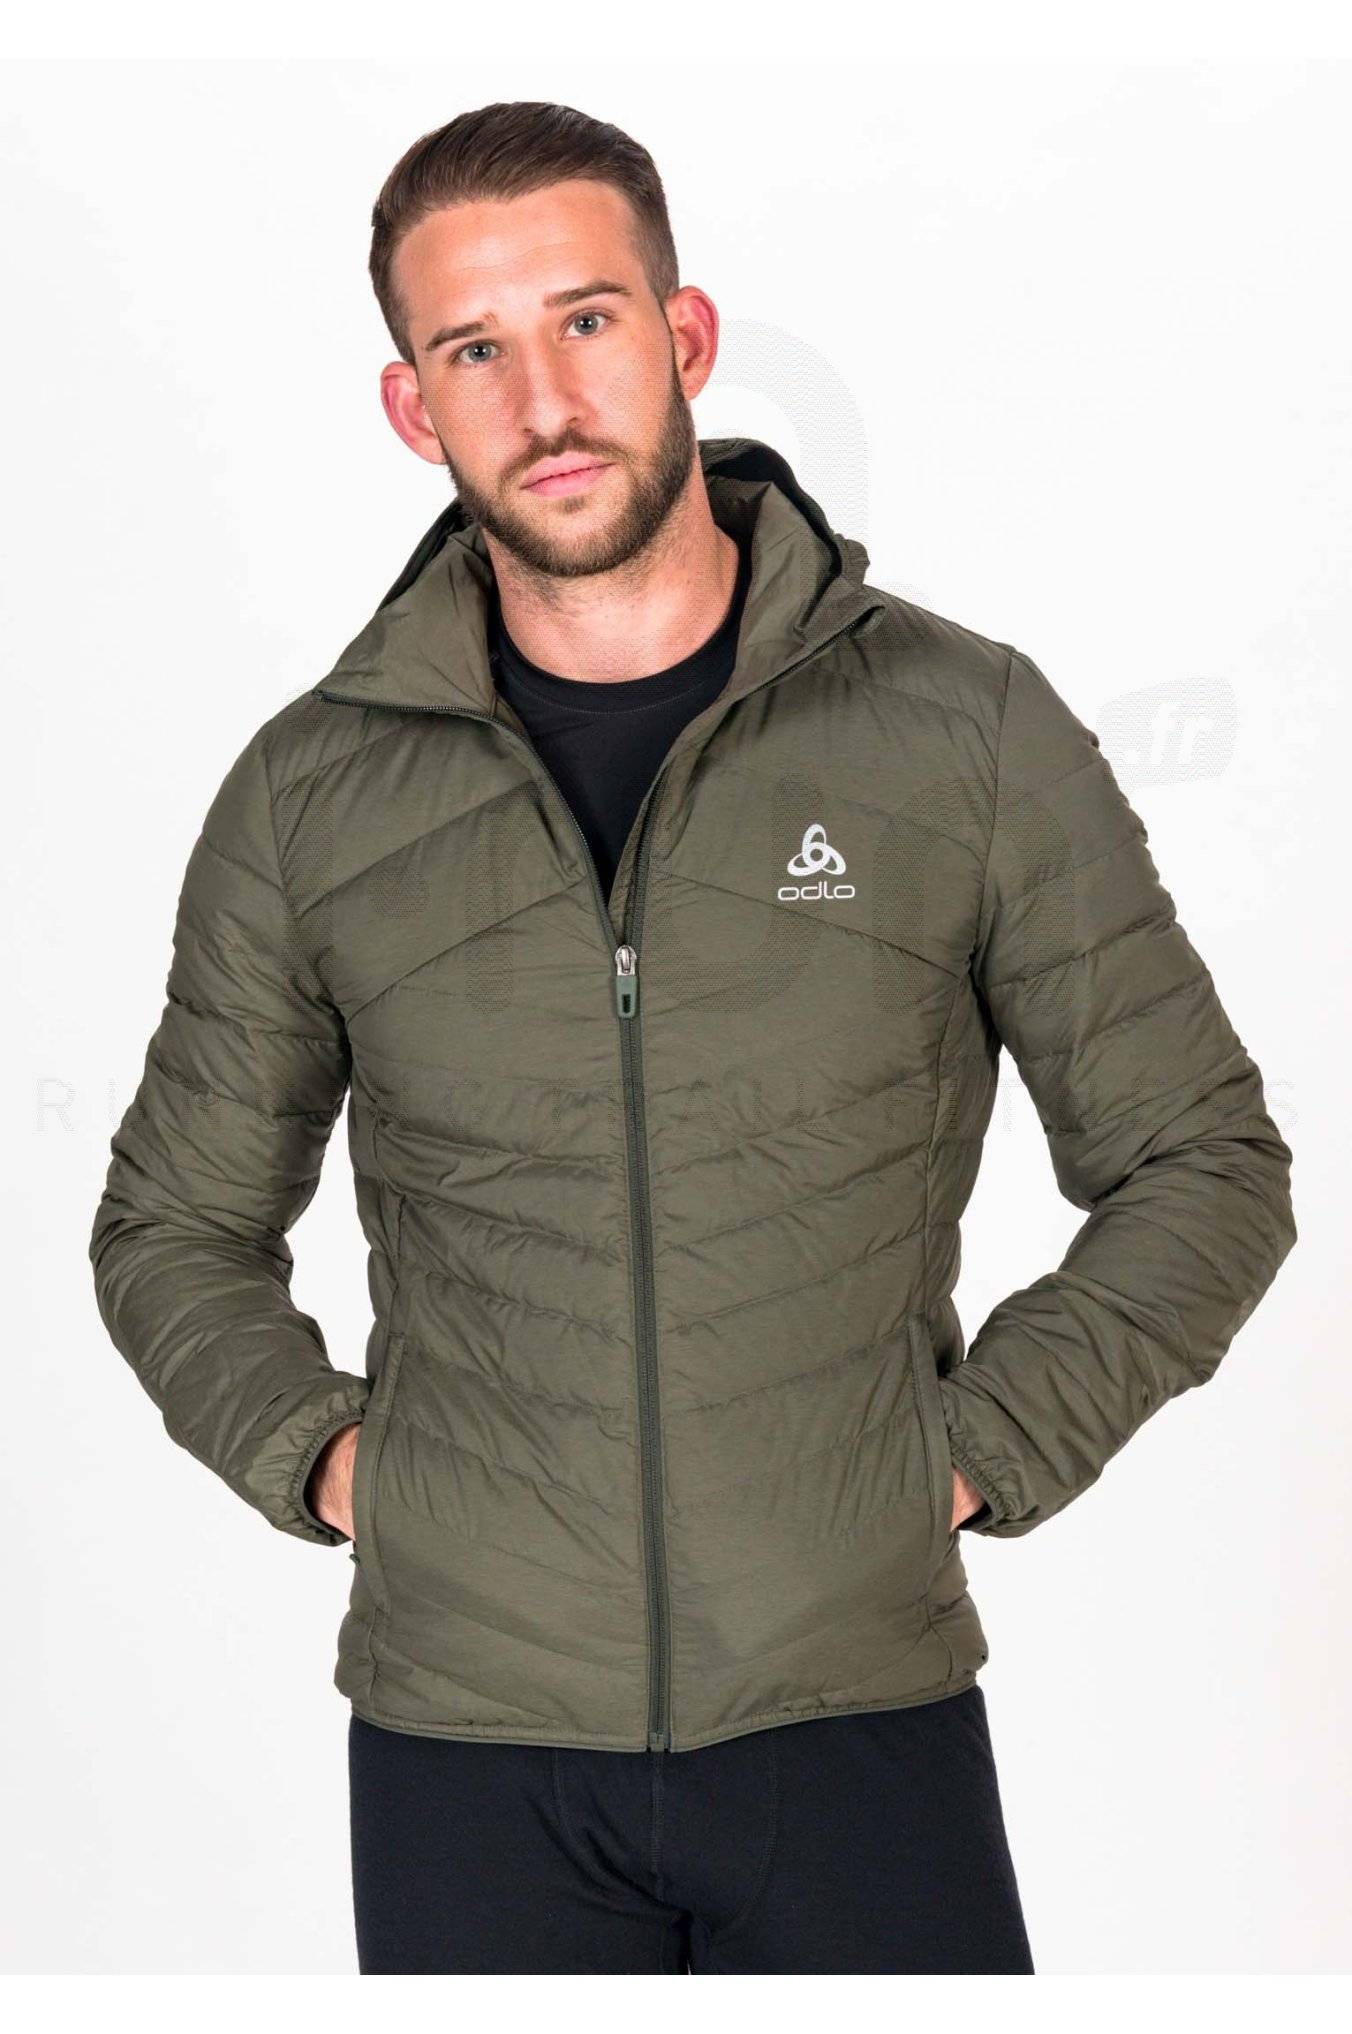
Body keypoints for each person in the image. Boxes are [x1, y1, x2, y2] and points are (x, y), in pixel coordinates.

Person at [88, 100, 1297, 1975]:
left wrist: (966, 1452)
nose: (543, 400)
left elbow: (1204, 1163)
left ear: (686, 335)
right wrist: (337, 1465)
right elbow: (173, 1227)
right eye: (472, 350)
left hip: (856, 1712)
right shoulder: (311, 794)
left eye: (585, 320)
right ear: (412, 408)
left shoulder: (960, 732)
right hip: (470, 1747)